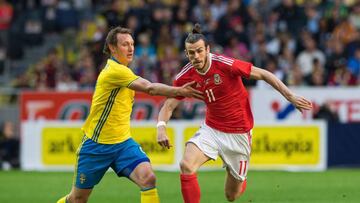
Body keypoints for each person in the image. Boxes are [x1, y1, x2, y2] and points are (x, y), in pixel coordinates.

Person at [156, 24, 312, 203]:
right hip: (211, 129)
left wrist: (290, 96)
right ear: (186, 54)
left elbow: (263, 74)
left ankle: (239, 176)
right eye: (191, 53)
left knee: (231, 196)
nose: (196, 56)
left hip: (239, 133)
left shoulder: (225, 64)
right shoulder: (186, 76)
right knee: (186, 165)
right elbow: (168, 105)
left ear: (207, 49)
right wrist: (161, 127)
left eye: (199, 51)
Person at [57, 26, 203, 203]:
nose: (131, 48)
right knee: (77, 199)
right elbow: (150, 88)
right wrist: (179, 91)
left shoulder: (125, 71)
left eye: (132, 44)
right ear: (112, 47)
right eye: (125, 44)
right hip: (96, 146)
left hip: (123, 144)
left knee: (148, 178)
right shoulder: (114, 71)